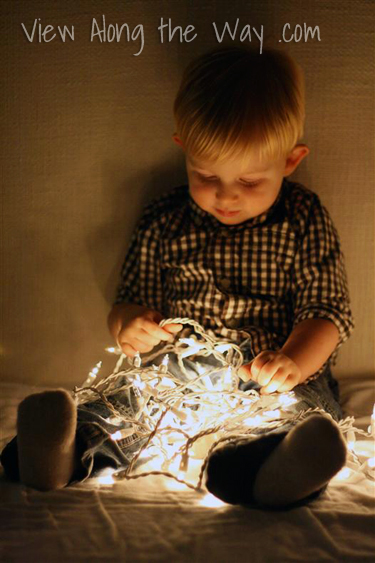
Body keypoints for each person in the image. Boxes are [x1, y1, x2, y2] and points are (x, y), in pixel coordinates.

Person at [1, 45, 353, 510]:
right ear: (183, 149)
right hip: (180, 374)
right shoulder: (165, 219)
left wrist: (292, 362)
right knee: (124, 408)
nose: (225, 197)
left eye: (249, 182)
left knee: (292, 418)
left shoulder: (303, 217)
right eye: (206, 175)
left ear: (290, 161)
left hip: (278, 376)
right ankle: (60, 452)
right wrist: (129, 326)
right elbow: (130, 301)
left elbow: (326, 312)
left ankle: (273, 467)